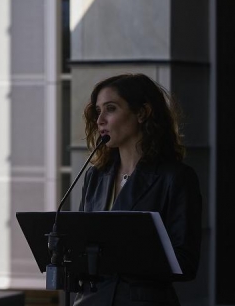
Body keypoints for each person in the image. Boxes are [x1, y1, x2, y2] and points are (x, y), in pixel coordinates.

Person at [75, 74, 202, 306]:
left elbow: (185, 263)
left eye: (110, 109)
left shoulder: (176, 178)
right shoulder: (95, 176)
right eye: (97, 111)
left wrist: (122, 253)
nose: (100, 119)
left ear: (142, 113)